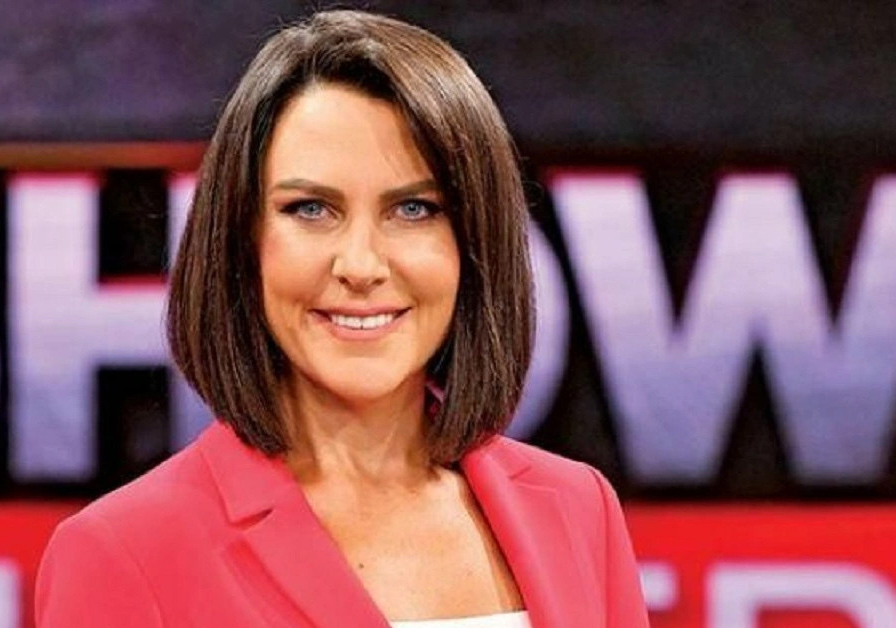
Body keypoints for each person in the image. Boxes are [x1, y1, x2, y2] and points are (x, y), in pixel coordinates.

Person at [35, 9, 649, 628]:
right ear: (243, 240)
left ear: (475, 241)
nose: (360, 265)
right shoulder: (125, 552)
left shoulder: (580, 510)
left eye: (414, 209)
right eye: (310, 209)